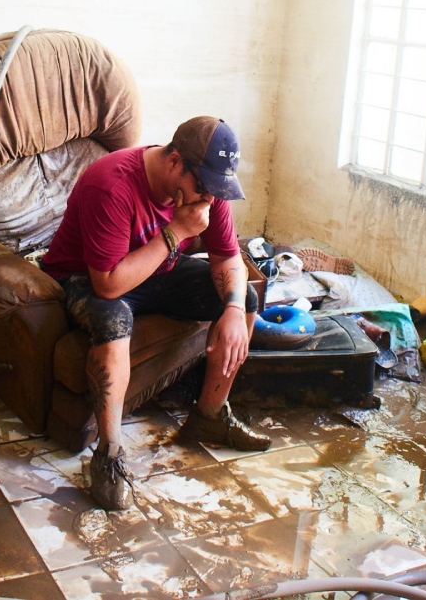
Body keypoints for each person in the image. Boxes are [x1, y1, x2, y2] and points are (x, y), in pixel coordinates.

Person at [41, 116, 271, 510]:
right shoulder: (111, 184)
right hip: (85, 274)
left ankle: (209, 415)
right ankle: (108, 456)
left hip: (155, 267)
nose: (209, 199)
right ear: (174, 162)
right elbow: (108, 283)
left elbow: (228, 257)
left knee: (244, 299)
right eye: (202, 187)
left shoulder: (208, 191)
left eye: (217, 190)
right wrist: (177, 232)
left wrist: (233, 307)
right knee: (114, 318)